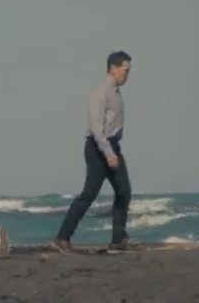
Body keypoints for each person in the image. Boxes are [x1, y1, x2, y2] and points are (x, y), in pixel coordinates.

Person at [52, 51, 136, 254]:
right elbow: (96, 128)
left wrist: (114, 150)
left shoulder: (116, 93)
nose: (128, 74)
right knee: (88, 194)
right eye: (125, 70)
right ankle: (62, 238)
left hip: (113, 146)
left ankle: (118, 240)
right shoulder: (99, 92)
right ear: (113, 69)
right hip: (98, 148)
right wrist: (108, 153)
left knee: (124, 192)